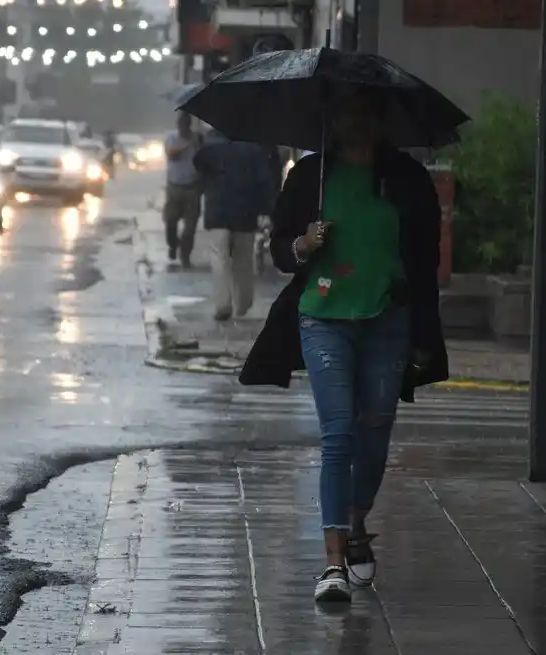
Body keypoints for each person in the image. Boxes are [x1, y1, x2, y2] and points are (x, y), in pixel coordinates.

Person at [238, 85, 449, 603]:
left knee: (374, 430)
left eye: (364, 114)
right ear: (331, 120)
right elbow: (282, 254)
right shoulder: (310, 177)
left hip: (388, 319)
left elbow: (425, 262)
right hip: (323, 317)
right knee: (337, 434)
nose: (353, 124)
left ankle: (356, 522)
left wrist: (424, 333)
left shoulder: (406, 178)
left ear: (380, 122)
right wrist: (303, 244)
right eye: (345, 113)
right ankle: (332, 563)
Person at [192, 128, 278, 321]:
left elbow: (197, 164)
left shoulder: (211, 149)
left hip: (217, 212)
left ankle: (223, 304)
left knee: (219, 258)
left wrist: (200, 143)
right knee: (243, 261)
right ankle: (243, 304)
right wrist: (266, 210)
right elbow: (265, 181)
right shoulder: (255, 150)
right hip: (245, 213)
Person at [162, 112, 203, 267]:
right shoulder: (171, 138)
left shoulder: (198, 139)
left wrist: (197, 144)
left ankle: (185, 255)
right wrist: (186, 144)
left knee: (190, 226)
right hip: (174, 187)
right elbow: (172, 155)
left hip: (192, 187)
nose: (182, 126)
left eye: (185, 123)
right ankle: (173, 245)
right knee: (170, 221)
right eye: (180, 123)